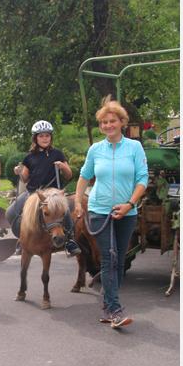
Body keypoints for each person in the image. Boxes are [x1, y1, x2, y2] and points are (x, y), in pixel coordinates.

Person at [73, 97, 148, 329]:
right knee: (109, 257)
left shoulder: (134, 148)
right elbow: (84, 176)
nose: (108, 125)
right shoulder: (95, 150)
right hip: (99, 211)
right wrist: (77, 201)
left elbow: (142, 179)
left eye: (112, 121)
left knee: (120, 259)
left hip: (127, 211)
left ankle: (107, 306)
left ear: (122, 122)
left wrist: (129, 203)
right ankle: (115, 310)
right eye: (104, 122)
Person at [5, 120, 81, 256]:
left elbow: (69, 175)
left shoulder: (57, 154)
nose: (45, 138)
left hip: (53, 193)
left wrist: (63, 166)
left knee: (66, 211)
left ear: (51, 137)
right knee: (11, 212)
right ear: (35, 138)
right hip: (34, 192)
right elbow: (25, 178)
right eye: (41, 136)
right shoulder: (29, 157)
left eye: (47, 135)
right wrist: (19, 171)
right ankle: (23, 239)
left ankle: (70, 241)